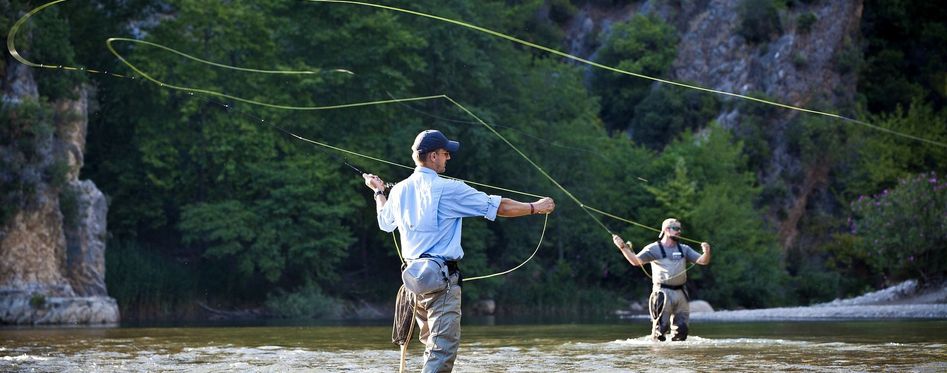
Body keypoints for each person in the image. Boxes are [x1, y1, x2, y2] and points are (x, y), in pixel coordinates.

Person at [363, 129, 555, 372]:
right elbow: (499, 207)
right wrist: (535, 207)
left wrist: (379, 192)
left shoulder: (399, 189)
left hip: (415, 283)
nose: (448, 158)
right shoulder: (448, 189)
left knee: (431, 347)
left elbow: (384, 222)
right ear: (433, 156)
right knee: (442, 351)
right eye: (445, 153)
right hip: (441, 282)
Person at [611, 218, 711, 341]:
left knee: (682, 331)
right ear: (666, 230)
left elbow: (703, 261)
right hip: (662, 293)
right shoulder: (653, 248)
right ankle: (658, 357)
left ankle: (680, 358)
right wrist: (622, 247)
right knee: (660, 331)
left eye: (679, 228)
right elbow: (635, 261)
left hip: (681, 293)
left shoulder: (684, 249)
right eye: (675, 228)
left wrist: (706, 252)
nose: (679, 231)